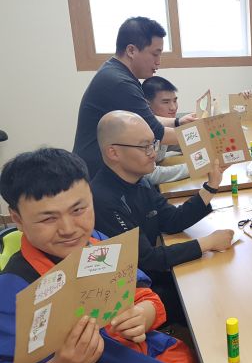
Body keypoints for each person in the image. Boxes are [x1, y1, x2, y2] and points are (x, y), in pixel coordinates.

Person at [0, 148, 210, 363]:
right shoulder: (12, 292)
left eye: (79, 209)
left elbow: (146, 296)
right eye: (48, 218)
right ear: (17, 219)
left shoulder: (96, 244)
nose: (69, 229)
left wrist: (142, 315)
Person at [90, 111, 233, 324]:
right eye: (145, 146)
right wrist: (208, 243)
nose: (153, 153)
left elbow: (172, 220)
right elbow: (148, 259)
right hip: (136, 293)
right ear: (113, 152)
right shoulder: (103, 200)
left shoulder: (139, 180)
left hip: (153, 274)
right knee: (211, 304)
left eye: (153, 144)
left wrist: (211, 185)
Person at [73, 16, 196, 177]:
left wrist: (177, 122)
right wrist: (204, 135)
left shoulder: (115, 72)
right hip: (98, 176)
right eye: (155, 54)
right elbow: (156, 133)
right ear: (131, 50)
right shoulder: (120, 83)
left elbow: (145, 119)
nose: (158, 62)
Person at [141, 76, 189, 185]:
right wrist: (194, 167)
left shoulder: (166, 125)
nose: (173, 107)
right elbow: (149, 175)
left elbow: (181, 145)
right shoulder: (142, 132)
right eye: (166, 102)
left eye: (175, 101)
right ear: (147, 105)